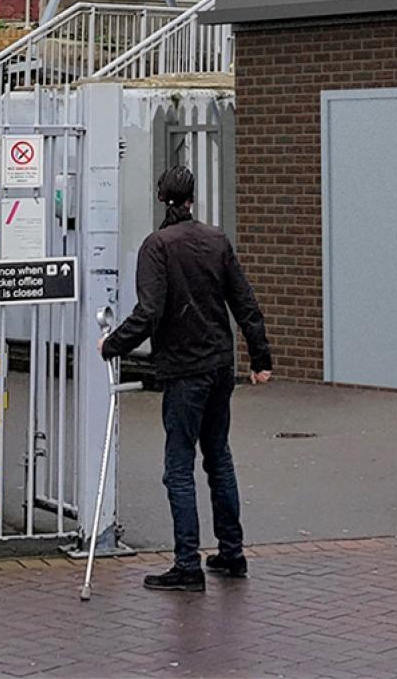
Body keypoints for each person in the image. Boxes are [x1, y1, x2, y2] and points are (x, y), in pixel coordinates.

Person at [100, 164, 273, 592]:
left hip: (183, 370)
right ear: (192, 198)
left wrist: (112, 344)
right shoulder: (216, 240)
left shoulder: (157, 246)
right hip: (219, 365)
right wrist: (259, 357)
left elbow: (149, 311)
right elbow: (244, 301)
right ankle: (232, 552)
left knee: (178, 467)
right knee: (219, 458)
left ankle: (187, 564)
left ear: (162, 198)